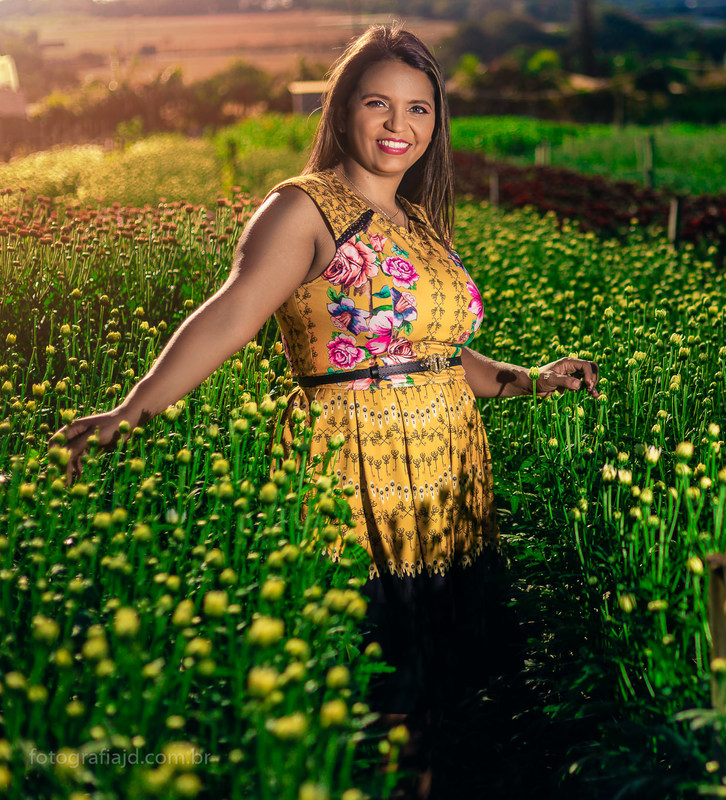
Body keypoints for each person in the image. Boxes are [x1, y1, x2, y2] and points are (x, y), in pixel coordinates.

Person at [49, 23, 599, 799]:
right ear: (343, 111)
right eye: (379, 104)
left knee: (426, 700)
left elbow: (441, 355)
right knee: (369, 691)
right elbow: (232, 313)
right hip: (358, 477)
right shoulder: (304, 209)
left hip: (444, 486)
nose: (398, 126)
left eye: (418, 110)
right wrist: (130, 410)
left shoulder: (420, 223)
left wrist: (535, 379)